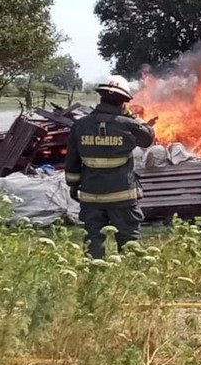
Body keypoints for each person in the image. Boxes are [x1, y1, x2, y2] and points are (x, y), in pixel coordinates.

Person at [65, 75, 155, 258]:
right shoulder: (128, 125)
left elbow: (72, 160)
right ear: (124, 102)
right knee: (129, 238)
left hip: (91, 195)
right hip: (122, 195)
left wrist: (73, 186)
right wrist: (132, 117)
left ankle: (94, 270)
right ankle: (130, 270)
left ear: (101, 97)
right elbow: (148, 138)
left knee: (93, 238)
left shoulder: (80, 125)